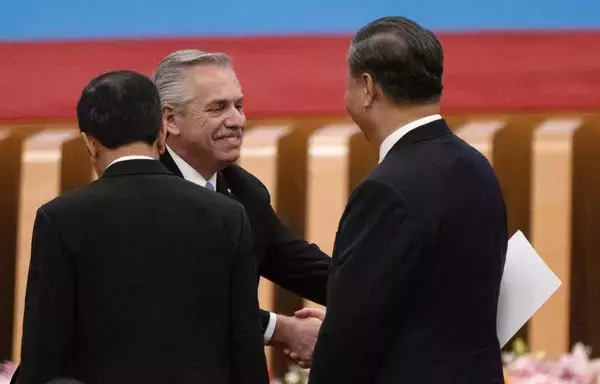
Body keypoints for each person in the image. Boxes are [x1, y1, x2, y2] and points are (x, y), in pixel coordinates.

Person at [13, 70, 268, 384]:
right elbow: (246, 346)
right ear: (162, 133)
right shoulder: (228, 214)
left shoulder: (60, 218)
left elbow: (42, 354)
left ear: (89, 143)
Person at [303, 17, 508, 383]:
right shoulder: (475, 164)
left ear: (366, 87)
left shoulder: (385, 189)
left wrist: (338, 328)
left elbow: (351, 335)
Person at [152, 50, 330, 366]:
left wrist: (381, 294)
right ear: (170, 120)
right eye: (217, 108)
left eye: (238, 105)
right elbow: (183, 301)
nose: (237, 121)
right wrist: (284, 330)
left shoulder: (243, 188)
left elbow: (299, 264)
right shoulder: (146, 192)